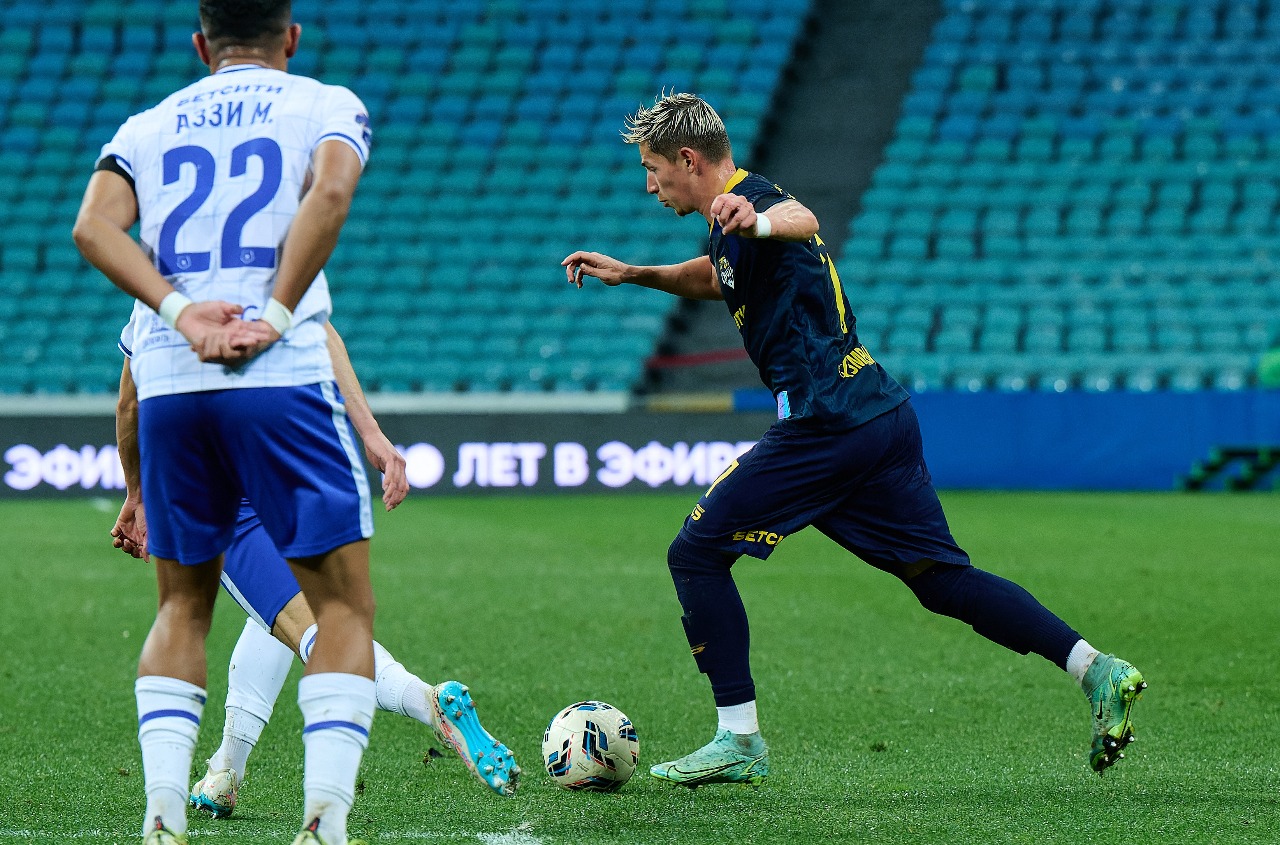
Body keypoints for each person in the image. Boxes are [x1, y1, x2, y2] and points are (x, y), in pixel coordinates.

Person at [561, 92, 1147, 788]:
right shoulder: (729, 225)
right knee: (940, 579)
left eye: (653, 169)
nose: (649, 185)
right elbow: (718, 276)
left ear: (688, 160)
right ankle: (1096, 669)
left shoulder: (754, 204)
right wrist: (635, 273)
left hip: (825, 422)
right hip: (877, 412)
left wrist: (759, 219)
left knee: (694, 553)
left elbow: (800, 219)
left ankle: (739, 738)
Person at [73, 3, 382, 842]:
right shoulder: (324, 103)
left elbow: (93, 226)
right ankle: (324, 822)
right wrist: (273, 316)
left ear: (201, 44)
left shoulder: (145, 126)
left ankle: (162, 815)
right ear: (292, 37)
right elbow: (333, 190)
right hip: (279, 376)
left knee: (181, 606)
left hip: (173, 381)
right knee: (341, 608)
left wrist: (179, 312)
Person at [109, 314, 520, 818]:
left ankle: (427, 701)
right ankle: (225, 770)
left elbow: (130, 403)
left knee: (304, 630)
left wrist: (136, 492)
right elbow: (324, 334)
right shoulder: (271, 270)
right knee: (278, 610)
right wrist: (371, 433)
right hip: (298, 453)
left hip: (214, 479)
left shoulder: (157, 291)